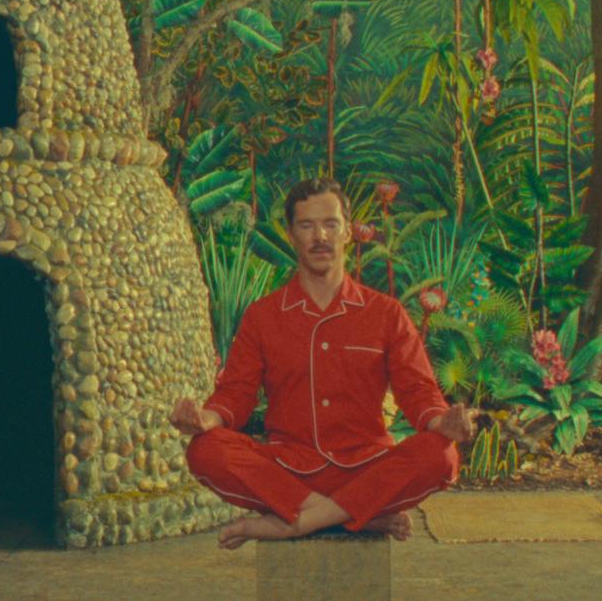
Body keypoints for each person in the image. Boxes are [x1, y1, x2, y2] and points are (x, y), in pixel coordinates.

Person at [170, 177, 477, 549]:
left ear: (347, 231)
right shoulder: (263, 316)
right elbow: (235, 394)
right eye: (307, 225)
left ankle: (298, 522)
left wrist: (442, 422)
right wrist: (207, 419)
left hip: (368, 469)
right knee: (205, 450)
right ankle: (358, 516)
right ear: (291, 234)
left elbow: (418, 392)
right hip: (289, 475)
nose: (320, 236)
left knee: (441, 455)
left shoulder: (385, 313)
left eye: (331, 224)